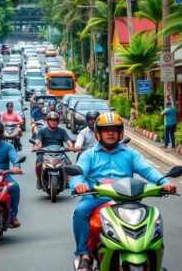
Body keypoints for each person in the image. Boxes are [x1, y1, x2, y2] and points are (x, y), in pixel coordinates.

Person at [71, 112, 176, 270]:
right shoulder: (89, 154)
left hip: (128, 198)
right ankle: (84, 254)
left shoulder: (130, 153)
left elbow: (147, 170)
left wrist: (164, 182)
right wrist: (79, 185)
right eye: (106, 130)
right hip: (97, 195)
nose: (111, 133)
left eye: (114, 129)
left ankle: (151, 256)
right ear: (98, 133)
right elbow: (78, 173)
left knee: (153, 219)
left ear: (120, 132)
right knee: (80, 211)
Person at [33, 111, 74, 189]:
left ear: (58, 121)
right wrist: (36, 146)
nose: (53, 122)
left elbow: (68, 141)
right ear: (48, 121)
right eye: (51, 120)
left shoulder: (62, 131)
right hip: (44, 152)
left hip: (60, 152)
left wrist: (71, 146)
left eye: (55, 120)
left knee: (69, 163)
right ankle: (39, 179)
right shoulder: (42, 131)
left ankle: (67, 180)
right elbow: (37, 141)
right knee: (38, 165)